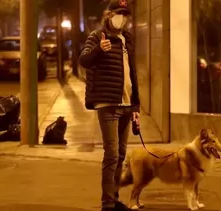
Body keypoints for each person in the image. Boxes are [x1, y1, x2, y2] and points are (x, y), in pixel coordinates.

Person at [79, 0, 140, 210]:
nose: (121, 18)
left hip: (126, 103)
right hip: (107, 103)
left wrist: (135, 108)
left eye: (125, 14)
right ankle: (107, 203)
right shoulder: (97, 37)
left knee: (121, 155)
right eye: (117, 13)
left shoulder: (128, 39)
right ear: (108, 15)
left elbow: (133, 75)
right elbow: (84, 60)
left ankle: (114, 198)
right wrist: (99, 50)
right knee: (112, 154)